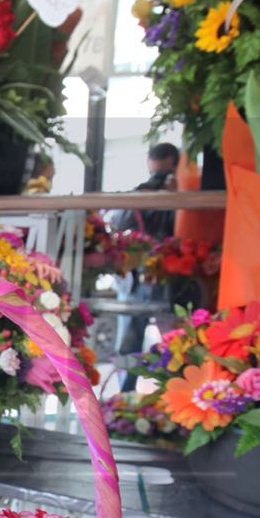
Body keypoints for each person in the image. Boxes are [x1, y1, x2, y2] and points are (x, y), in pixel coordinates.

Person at [109, 144, 180, 388]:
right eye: (154, 175)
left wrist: (176, 197)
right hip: (134, 280)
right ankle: (124, 393)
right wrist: (140, 197)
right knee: (129, 342)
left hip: (170, 277)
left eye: (163, 175)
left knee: (176, 342)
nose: (158, 180)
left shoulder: (183, 195)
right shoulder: (141, 194)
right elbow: (118, 223)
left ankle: (174, 392)